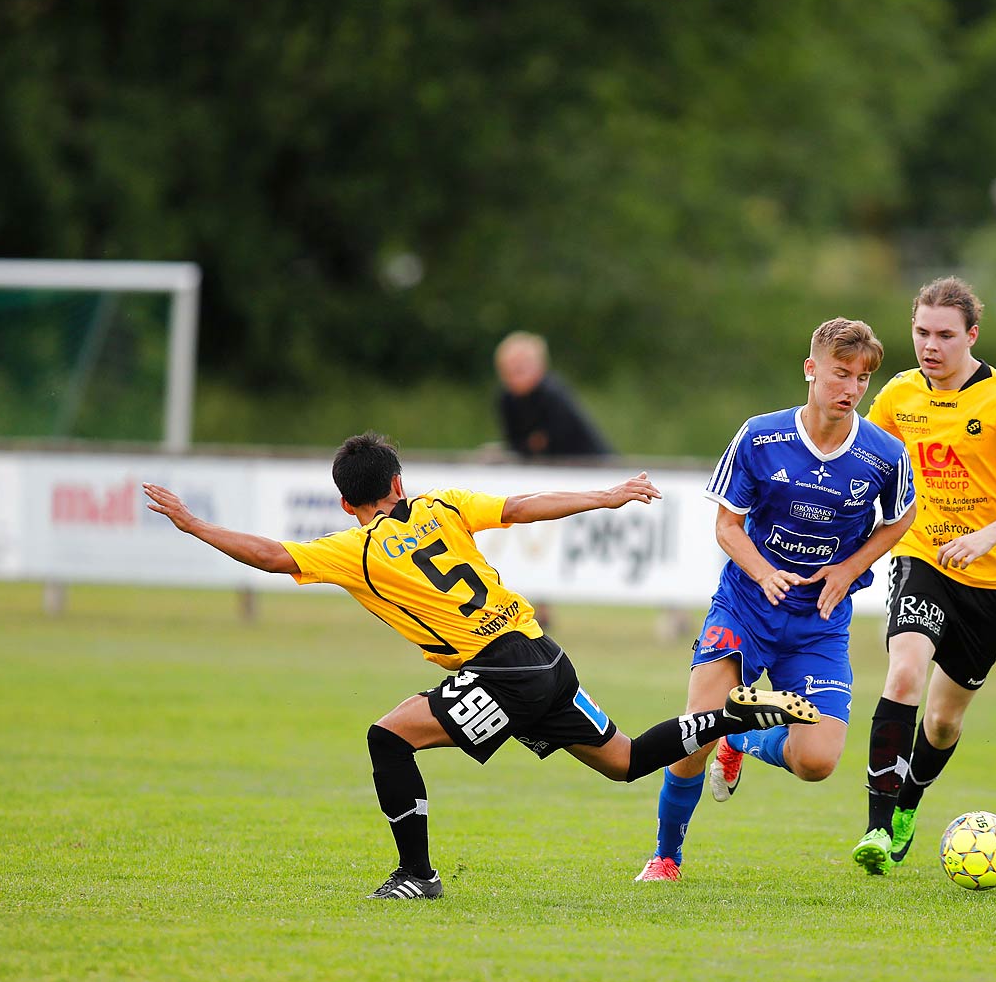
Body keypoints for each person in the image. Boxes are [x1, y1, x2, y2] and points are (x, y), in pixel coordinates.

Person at [142, 433, 817, 901]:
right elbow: (521, 510)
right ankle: (734, 714)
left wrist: (196, 526)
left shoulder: (358, 548)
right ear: (399, 482)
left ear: (347, 503)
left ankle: (417, 874)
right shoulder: (441, 507)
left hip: (501, 673)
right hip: (544, 655)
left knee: (388, 736)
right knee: (628, 760)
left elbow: (271, 556)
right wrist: (606, 495)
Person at [634, 318, 917, 882]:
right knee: (693, 734)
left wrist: (851, 567)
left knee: (817, 762)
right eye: (841, 373)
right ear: (811, 370)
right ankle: (667, 856)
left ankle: (738, 735)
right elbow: (726, 525)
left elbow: (902, 516)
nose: (852, 388)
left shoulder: (884, 454)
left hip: (819, 621)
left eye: (862, 379)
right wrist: (763, 573)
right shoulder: (761, 438)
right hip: (746, 606)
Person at [850, 276, 996, 874]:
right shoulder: (898, 396)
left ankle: (908, 806)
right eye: (922, 332)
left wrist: (988, 535)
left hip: (993, 577)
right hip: (922, 557)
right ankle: (876, 828)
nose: (931, 345)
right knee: (903, 673)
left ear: (971, 336)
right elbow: (863, 459)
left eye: (945, 335)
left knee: (945, 721)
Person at [495, 331, 614, 459]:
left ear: (540, 367)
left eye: (520, 369)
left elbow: (552, 440)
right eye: (508, 370)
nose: (513, 376)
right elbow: (516, 443)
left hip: (591, 465)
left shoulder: (552, 394)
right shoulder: (506, 399)